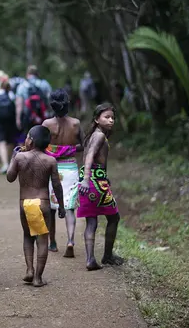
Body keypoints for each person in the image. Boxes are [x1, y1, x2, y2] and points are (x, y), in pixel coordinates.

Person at [7, 125, 65, 287]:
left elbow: (10, 177)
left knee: (27, 236)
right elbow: (57, 185)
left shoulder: (20, 158)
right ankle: (38, 278)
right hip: (43, 203)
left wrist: (13, 157)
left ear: (30, 140)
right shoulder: (51, 160)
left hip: (25, 203)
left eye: (27, 136)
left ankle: (29, 270)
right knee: (42, 240)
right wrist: (61, 206)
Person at [77, 103, 124, 271]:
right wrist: (88, 179)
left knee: (91, 222)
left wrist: (89, 178)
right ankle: (107, 256)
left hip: (91, 180)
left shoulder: (93, 136)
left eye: (112, 117)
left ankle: (91, 259)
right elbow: (89, 157)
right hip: (94, 183)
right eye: (107, 117)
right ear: (97, 119)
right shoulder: (98, 136)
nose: (111, 120)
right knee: (114, 217)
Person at [43, 89, 84, 257]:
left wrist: (55, 150)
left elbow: (39, 144)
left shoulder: (46, 124)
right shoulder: (75, 123)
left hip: (52, 168)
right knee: (69, 208)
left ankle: (52, 242)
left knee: (52, 208)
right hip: (71, 168)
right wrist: (69, 149)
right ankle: (70, 240)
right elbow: (83, 144)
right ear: (67, 104)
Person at [15, 65, 52, 139]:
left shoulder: (22, 86)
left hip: (28, 116)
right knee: (42, 137)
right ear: (37, 74)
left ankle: (30, 150)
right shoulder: (44, 84)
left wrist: (18, 118)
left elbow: (19, 104)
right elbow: (50, 99)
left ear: (27, 74)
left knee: (28, 137)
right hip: (42, 116)